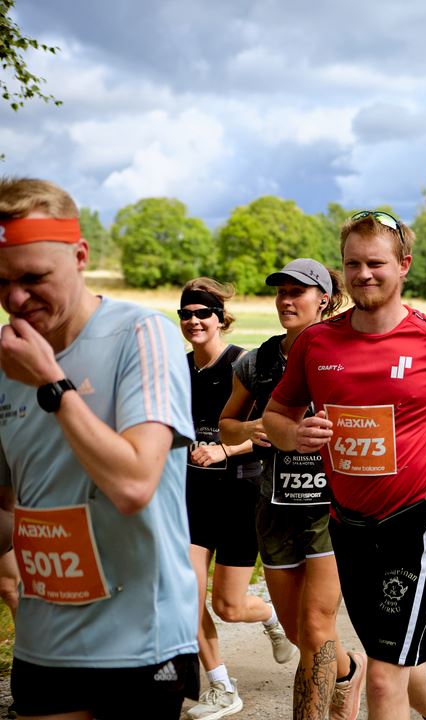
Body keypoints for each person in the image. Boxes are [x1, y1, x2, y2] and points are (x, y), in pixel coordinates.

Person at [262, 212, 426, 720]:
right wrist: (296, 434)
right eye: (352, 264)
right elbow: (276, 416)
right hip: (348, 525)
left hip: (416, 521)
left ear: (403, 265)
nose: (364, 275)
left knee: (381, 677)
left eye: (376, 263)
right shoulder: (317, 343)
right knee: (394, 653)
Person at [0, 177, 200, 718]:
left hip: (141, 642)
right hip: (43, 643)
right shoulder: (5, 363)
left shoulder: (141, 335)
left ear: (81, 256)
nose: (16, 299)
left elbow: (135, 484)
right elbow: (6, 510)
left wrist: (50, 382)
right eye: (1, 282)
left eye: (34, 277)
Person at [218, 260, 365, 720]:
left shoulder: (349, 349)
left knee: (317, 622)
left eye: (297, 291)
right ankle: (347, 673)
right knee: (299, 629)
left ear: (323, 298)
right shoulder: (256, 362)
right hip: (276, 504)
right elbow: (225, 428)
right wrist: (251, 426)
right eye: (280, 291)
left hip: (330, 506)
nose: (285, 300)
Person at [178, 278, 297, 720]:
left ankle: (269, 617)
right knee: (185, 594)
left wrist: (224, 449)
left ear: (219, 319)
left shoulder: (244, 364)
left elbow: (270, 430)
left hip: (241, 493)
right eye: (185, 314)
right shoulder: (179, 367)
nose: (193, 321)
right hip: (191, 496)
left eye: (202, 313)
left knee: (228, 606)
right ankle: (221, 687)